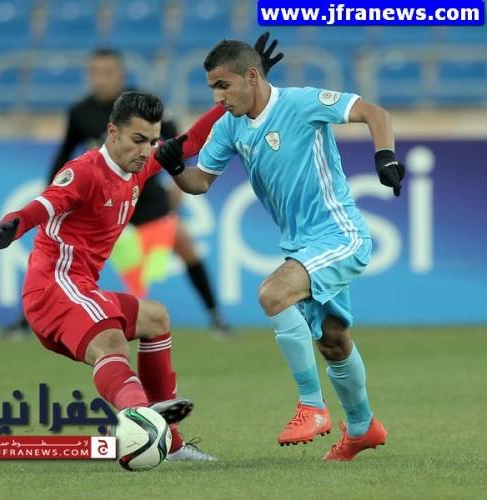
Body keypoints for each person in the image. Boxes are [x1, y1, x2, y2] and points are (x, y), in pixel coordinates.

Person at [153, 38, 405, 461]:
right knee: (333, 340)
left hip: (340, 235)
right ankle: (363, 428)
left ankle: (312, 405)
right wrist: (176, 167)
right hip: (301, 246)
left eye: (223, 85)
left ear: (251, 76)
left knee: (273, 293)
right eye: (212, 88)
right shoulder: (229, 126)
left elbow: (374, 113)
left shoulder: (301, 102)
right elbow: (200, 183)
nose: (217, 98)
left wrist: (386, 157)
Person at [0, 91, 225, 461]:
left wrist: (230, 102)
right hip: (55, 287)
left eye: (152, 141)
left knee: (155, 318)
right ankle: (140, 414)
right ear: (112, 132)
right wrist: (14, 223)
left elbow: (192, 140)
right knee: (112, 341)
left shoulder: (141, 166)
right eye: (138, 140)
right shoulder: (85, 172)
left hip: (81, 289)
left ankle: (171, 443)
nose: (146, 151)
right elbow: (44, 205)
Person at [52, 48, 230, 334]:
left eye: (108, 72)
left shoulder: (142, 105)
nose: (101, 79)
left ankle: (216, 316)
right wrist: (53, 195)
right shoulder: (80, 112)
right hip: (104, 202)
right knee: (67, 257)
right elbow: (62, 156)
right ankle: (33, 319)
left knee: (184, 244)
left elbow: (177, 138)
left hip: (144, 194)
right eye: (95, 72)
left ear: (121, 75)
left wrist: (177, 178)